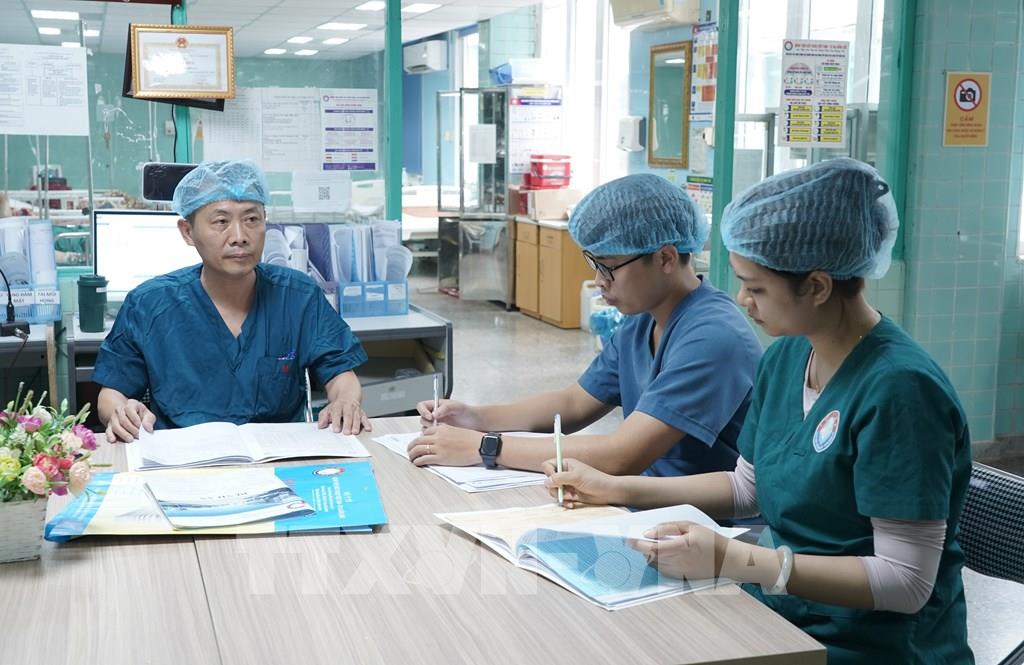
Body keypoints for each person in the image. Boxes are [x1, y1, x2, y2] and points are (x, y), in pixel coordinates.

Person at [545, 158, 973, 664]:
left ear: (817, 286)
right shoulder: (789, 355)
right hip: (786, 612)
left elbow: (906, 582)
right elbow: (746, 488)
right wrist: (617, 488)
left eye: (757, 287)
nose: (742, 300)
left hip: (873, 644)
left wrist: (737, 559)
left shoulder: (900, 390)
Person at [410, 173, 762, 477]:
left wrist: (485, 447)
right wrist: (476, 417)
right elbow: (574, 404)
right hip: (645, 505)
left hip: (705, 523)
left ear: (666, 258)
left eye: (609, 266)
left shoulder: (713, 337)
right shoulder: (642, 322)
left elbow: (622, 454)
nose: (598, 281)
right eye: (594, 264)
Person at [94, 160, 370, 443]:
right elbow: (111, 393)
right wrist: (121, 411)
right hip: (182, 456)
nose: (239, 237)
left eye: (251, 220)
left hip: (281, 455)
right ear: (188, 232)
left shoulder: (298, 295)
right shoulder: (149, 304)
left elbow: (340, 373)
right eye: (221, 222)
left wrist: (345, 400)